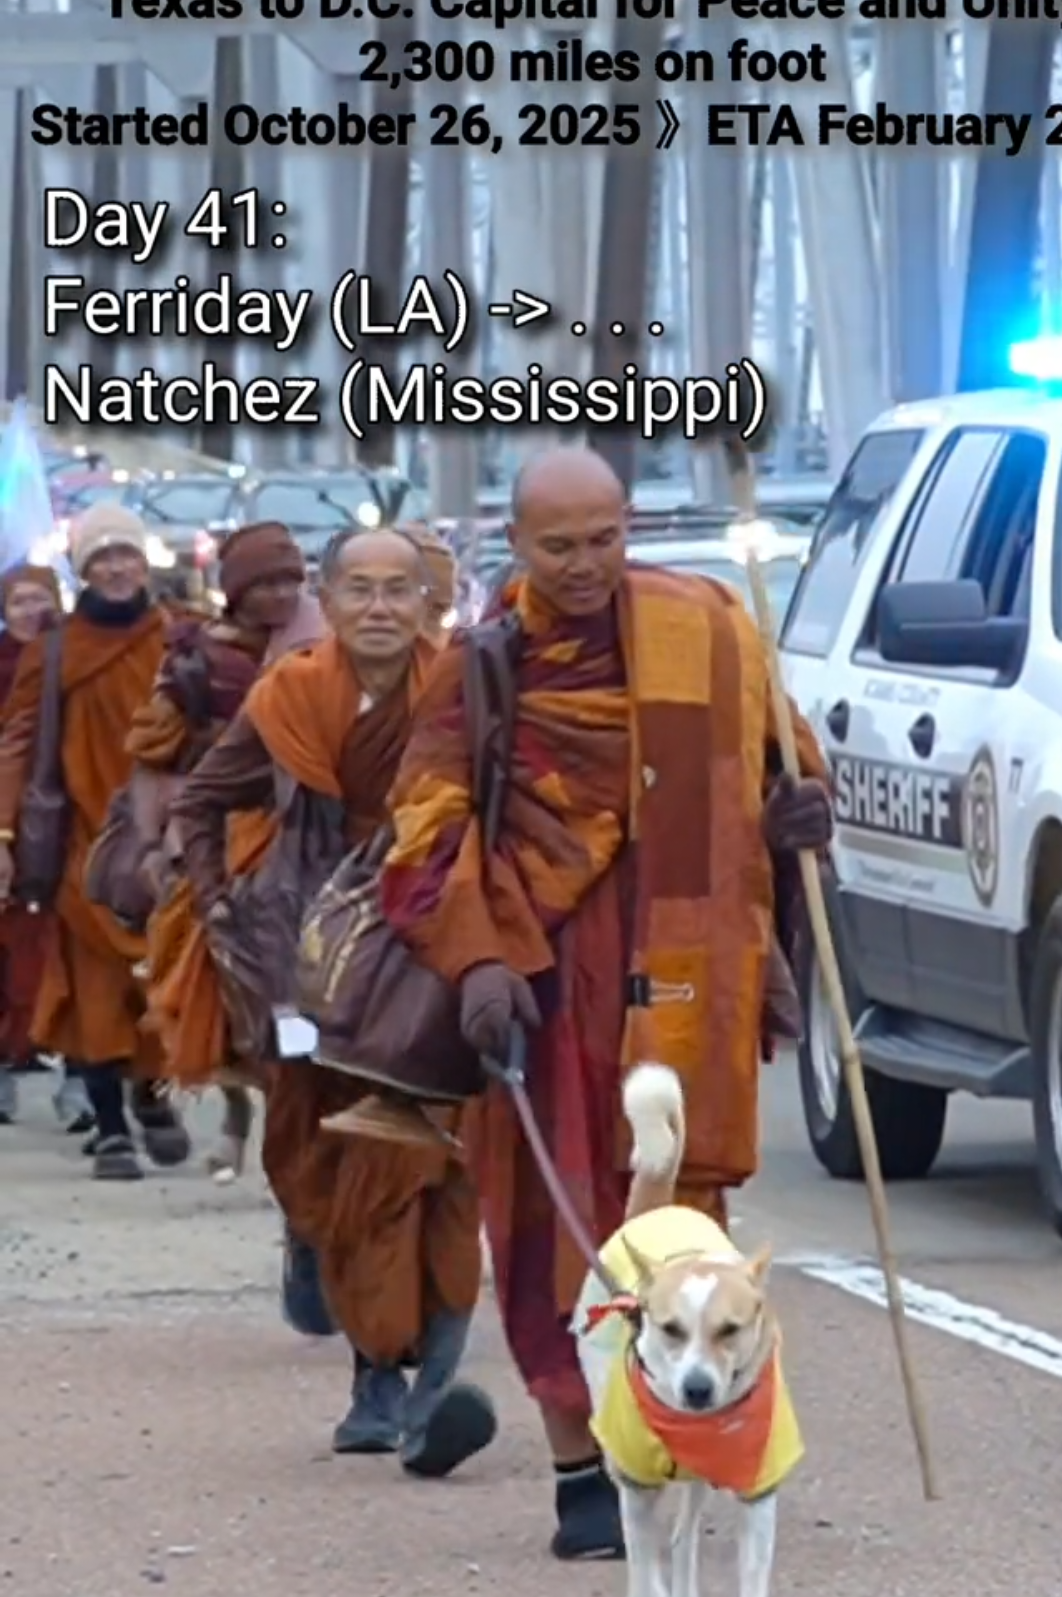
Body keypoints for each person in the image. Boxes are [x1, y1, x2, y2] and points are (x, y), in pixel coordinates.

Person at [381, 447, 834, 1559]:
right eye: (560, 545)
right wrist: (478, 960)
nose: (587, 565)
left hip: (682, 965)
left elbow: (779, 757)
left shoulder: (711, 628)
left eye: (607, 538)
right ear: (516, 543)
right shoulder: (481, 667)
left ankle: (694, 1434)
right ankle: (583, 1465)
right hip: (538, 979)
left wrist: (795, 817)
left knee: (680, 1227)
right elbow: (426, 829)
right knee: (545, 1223)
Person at [171, 523, 496, 1472]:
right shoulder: (291, 695)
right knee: (320, 1166)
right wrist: (220, 904)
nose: (382, 608)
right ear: (331, 596)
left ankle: (418, 1381)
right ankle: (371, 1360)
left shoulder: (465, 688)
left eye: (402, 589)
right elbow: (201, 800)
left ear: (428, 601)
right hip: (310, 954)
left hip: (430, 941)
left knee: (433, 1164)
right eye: (361, 589)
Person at [0, 504, 191, 1179]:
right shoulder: (55, 649)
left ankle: (151, 1093)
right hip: (85, 842)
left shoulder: (177, 639)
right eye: (99, 558)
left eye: (125, 555)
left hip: (164, 846)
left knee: (162, 985)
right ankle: (111, 1127)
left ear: (145, 563)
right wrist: (3, 830)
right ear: (81, 570)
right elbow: (18, 742)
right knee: (93, 993)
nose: (115, 567)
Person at [125, 521, 316, 1181]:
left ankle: (296, 1125)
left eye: (290, 580)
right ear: (235, 591)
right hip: (217, 838)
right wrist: (156, 844)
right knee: (225, 988)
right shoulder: (197, 664)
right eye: (264, 583)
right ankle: (238, 1115)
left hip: (306, 838)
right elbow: (154, 759)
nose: (280, 596)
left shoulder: (323, 647)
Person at [0, 565, 64, 1127]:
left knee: (49, 947)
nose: (29, 611)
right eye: (18, 601)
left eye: (39, 599)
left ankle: (68, 1063)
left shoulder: (69, 659)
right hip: (5, 818)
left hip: (55, 820)